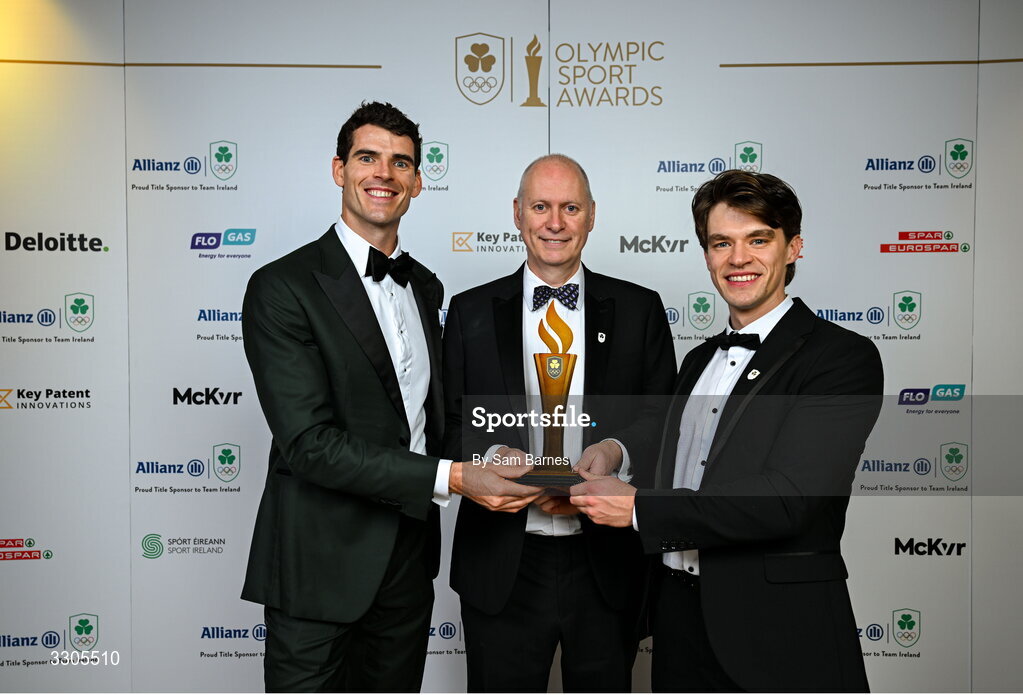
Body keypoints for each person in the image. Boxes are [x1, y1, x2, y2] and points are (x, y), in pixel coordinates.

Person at [240, 101, 536, 692]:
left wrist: (487, 459)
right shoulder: (282, 287)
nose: (384, 174)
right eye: (367, 157)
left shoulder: (425, 286)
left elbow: (428, 419)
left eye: (401, 163)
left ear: (418, 182)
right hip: (319, 567)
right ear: (338, 169)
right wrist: (455, 477)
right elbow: (310, 445)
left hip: (407, 565)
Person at [571, 169, 883, 692]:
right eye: (722, 243)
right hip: (678, 620)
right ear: (707, 255)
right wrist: (613, 450)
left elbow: (789, 498)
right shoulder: (697, 360)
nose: (738, 259)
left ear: (793, 248)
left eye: (757, 239)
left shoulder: (841, 358)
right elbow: (681, 449)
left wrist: (639, 508)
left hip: (777, 629)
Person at [442, 154, 676, 692]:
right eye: (541, 207)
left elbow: (663, 419)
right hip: (502, 559)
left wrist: (615, 451)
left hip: (606, 563)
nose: (555, 222)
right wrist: (494, 458)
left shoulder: (640, 310)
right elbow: (446, 424)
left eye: (570, 207)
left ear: (592, 215)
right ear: (517, 213)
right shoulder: (469, 311)